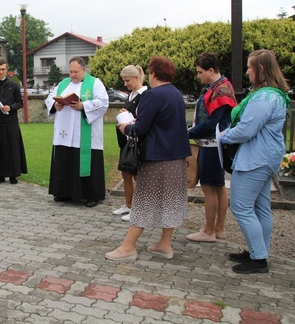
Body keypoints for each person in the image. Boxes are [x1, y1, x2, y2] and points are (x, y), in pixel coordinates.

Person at [105, 56, 191, 261]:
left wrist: (126, 126)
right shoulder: (176, 94)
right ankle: (165, 244)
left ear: (152, 73)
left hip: (156, 157)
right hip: (176, 157)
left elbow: (141, 128)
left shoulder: (153, 95)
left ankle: (128, 247)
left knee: (144, 200)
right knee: (170, 200)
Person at [220, 49, 290, 274]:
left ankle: (258, 258)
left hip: (255, 159)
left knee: (241, 207)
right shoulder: (272, 94)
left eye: (250, 67)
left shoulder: (265, 96)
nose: (247, 71)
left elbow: (246, 130)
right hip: (263, 157)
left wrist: (221, 137)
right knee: (260, 207)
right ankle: (257, 251)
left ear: (260, 69)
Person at [186, 53, 237, 243]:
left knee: (209, 187)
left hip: (212, 145)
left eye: (200, 72)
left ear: (211, 70)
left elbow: (210, 124)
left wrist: (187, 133)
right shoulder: (217, 86)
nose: (198, 75)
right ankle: (219, 228)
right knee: (218, 187)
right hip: (214, 144)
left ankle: (209, 231)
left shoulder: (220, 90)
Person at [45, 56, 109, 208]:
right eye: (71, 71)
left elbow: (103, 102)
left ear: (84, 70)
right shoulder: (63, 84)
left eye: (76, 71)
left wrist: (83, 106)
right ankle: (63, 193)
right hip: (65, 132)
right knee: (64, 159)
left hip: (85, 133)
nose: (73, 75)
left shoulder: (95, 83)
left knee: (85, 161)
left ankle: (90, 195)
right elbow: (49, 99)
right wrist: (55, 105)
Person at [0, 58, 27, 184]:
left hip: (11, 121)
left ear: (7, 70)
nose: (1, 72)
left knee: (12, 148)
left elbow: (20, 102)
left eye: (3, 69)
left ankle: (13, 175)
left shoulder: (13, 86)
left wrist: (11, 107)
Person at [112, 65, 148, 220]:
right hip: (126, 141)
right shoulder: (132, 95)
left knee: (136, 175)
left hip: (136, 141)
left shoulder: (145, 95)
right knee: (125, 173)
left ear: (136, 78)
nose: (125, 84)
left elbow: (143, 117)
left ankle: (139, 209)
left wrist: (129, 115)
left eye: (127, 80)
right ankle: (128, 204)